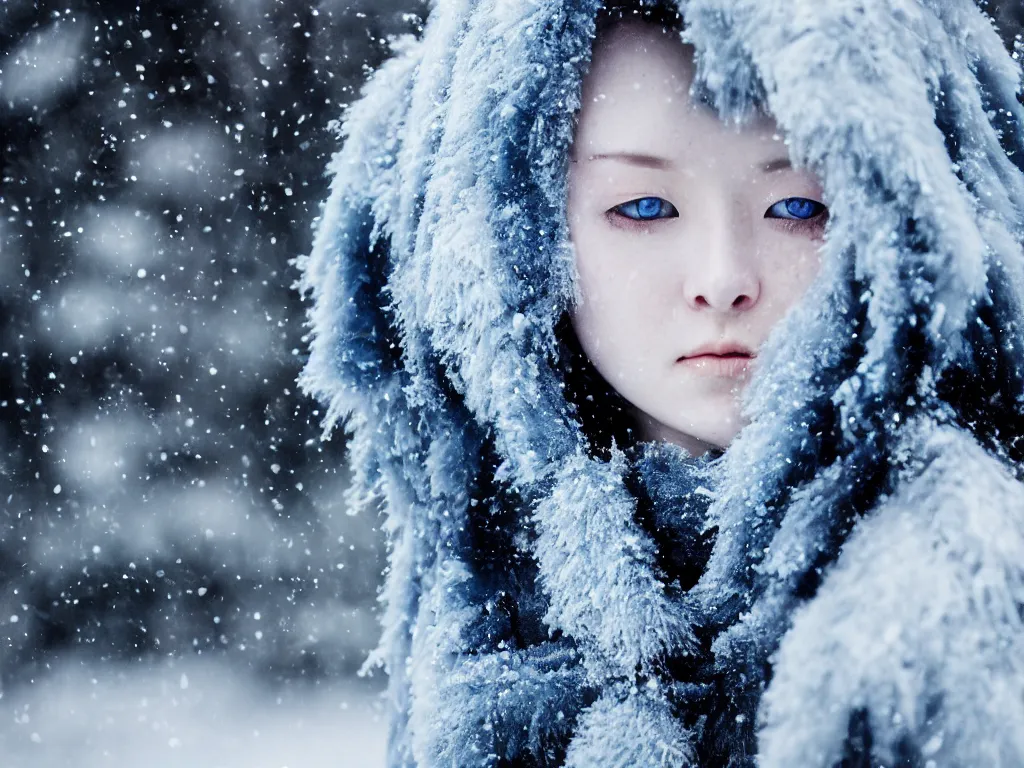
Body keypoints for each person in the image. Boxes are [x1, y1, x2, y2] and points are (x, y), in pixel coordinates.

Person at [299, 0, 1024, 765]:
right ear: (517, 239)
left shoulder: (975, 612)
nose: (723, 279)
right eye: (644, 207)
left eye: (800, 205)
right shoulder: (480, 593)